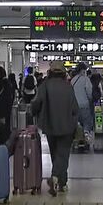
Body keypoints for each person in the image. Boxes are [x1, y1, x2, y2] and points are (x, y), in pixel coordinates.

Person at [31, 61, 79, 196]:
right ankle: (57, 179)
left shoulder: (44, 86)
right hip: (67, 126)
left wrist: (34, 113)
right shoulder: (68, 87)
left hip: (50, 124)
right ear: (64, 73)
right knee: (63, 155)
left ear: (50, 73)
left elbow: (36, 103)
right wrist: (75, 122)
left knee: (55, 154)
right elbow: (75, 108)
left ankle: (60, 181)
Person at [72, 63, 95, 138]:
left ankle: (78, 139)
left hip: (74, 106)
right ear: (83, 70)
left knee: (77, 124)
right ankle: (86, 138)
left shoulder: (73, 80)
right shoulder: (86, 79)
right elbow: (89, 92)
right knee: (86, 124)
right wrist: (91, 99)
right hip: (84, 105)